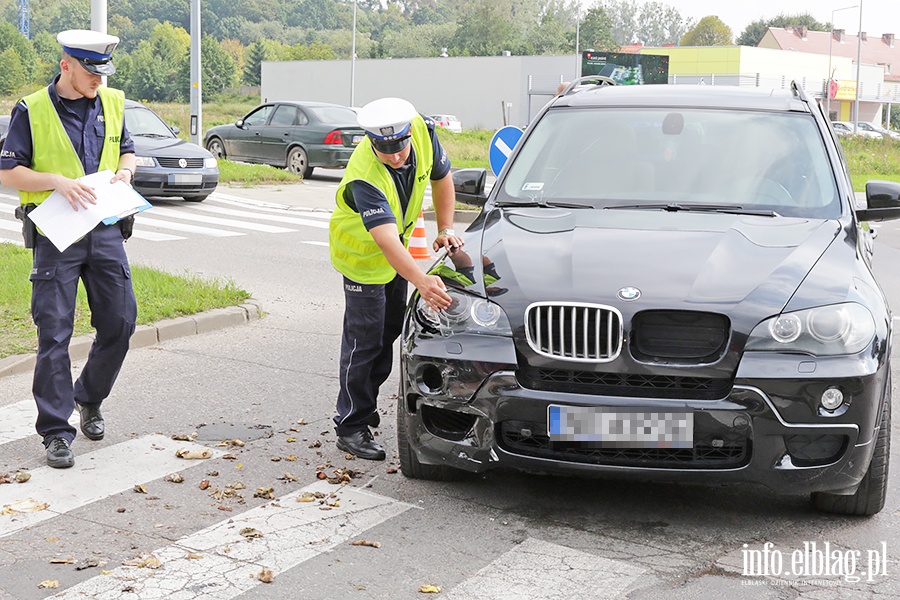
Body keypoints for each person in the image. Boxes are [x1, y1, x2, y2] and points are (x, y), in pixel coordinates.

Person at [0, 30, 137, 469]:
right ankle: (56, 433)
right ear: (66, 66)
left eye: (103, 73)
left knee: (120, 323)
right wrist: (55, 181)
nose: (99, 80)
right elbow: (8, 172)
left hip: (105, 229)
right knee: (54, 334)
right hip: (57, 236)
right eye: (90, 72)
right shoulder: (32, 109)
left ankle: (89, 398)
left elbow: (128, 151)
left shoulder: (112, 102)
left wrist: (125, 174)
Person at [329, 97, 463, 460]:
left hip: (394, 260)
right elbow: (386, 238)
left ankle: (364, 410)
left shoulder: (421, 129)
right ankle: (351, 426)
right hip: (362, 258)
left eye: (399, 145)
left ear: (408, 131)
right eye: (384, 149)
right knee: (364, 342)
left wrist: (446, 227)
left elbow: (442, 177)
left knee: (387, 334)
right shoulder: (364, 177)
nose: (395, 156)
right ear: (371, 142)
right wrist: (422, 280)